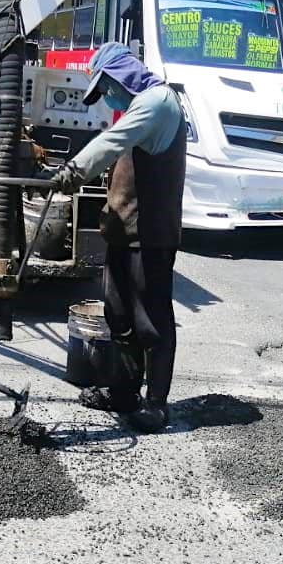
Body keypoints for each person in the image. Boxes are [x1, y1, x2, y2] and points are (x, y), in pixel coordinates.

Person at [50, 42, 187, 433]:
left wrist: (74, 171)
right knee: (120, 319)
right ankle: (124, 394)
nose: (107, 96)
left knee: (152, 323)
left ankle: (156, 405)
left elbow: (111, 144)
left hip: (150, 237)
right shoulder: (140, 107)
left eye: (107, 87)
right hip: (124, 235)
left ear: (120, 75)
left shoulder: (158, 101)